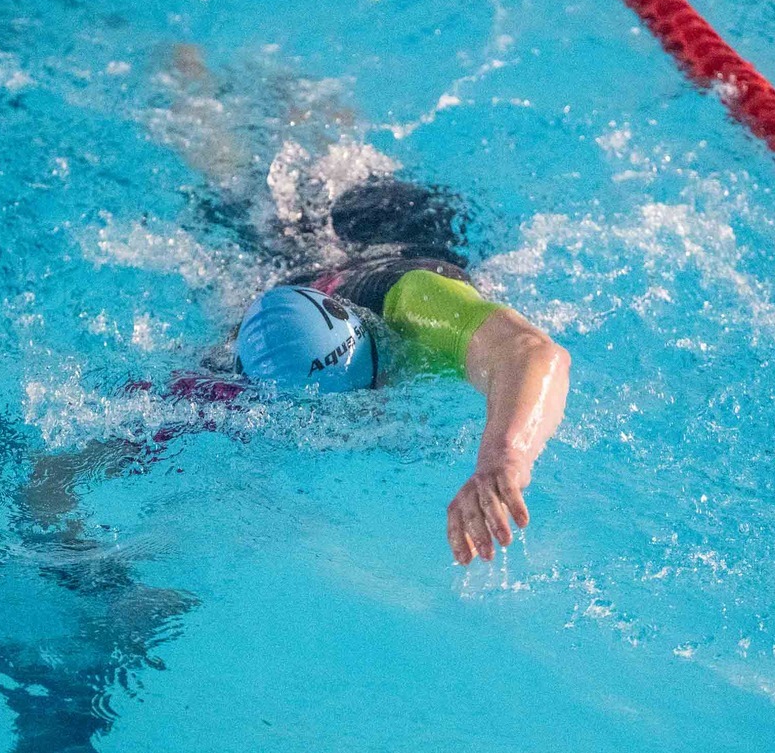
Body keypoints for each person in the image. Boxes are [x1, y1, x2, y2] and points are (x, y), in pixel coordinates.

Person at [232, 175, 571, 566]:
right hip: (297, 274)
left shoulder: (414, 305)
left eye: (369, 388)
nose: (369, 413)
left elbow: (530, 352)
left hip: (390, 218)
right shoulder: (242, 363)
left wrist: (504, 459)